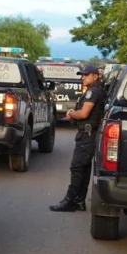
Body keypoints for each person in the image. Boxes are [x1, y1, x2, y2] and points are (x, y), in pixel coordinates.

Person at [50, 64, 106, 212]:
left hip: (87, 135)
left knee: (77, 167)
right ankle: (79, 201)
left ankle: (69, 200)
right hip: (89, 134)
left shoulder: (93, 92)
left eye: (86, 75)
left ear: (95, 76)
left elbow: (84, 114)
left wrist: (71, 113)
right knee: (84, 168)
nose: (83, 77)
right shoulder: (95, 90)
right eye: (82, 75)